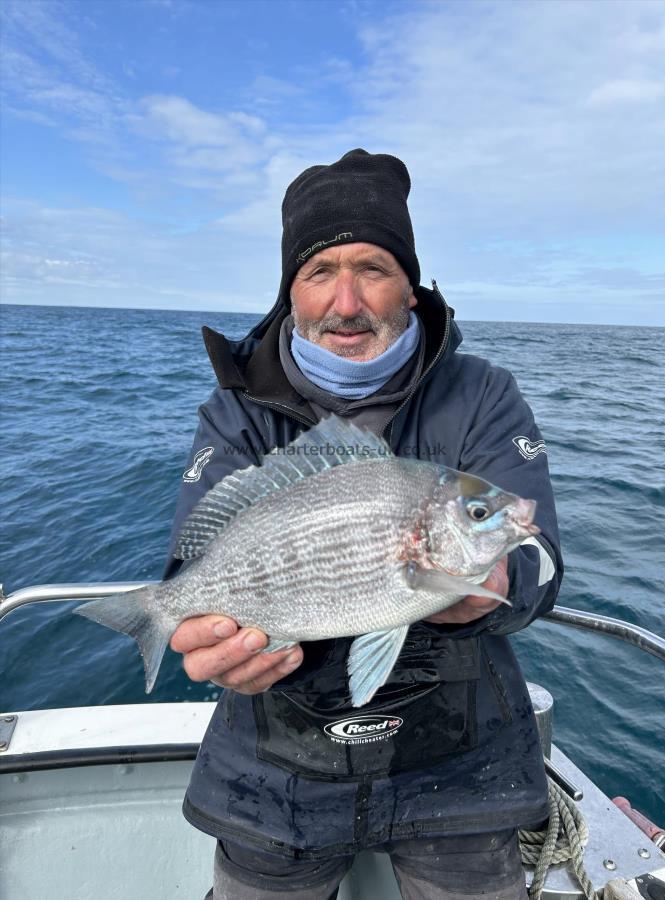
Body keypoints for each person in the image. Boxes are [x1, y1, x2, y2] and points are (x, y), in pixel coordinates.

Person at [165, 149, 563, 900]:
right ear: (290, 290)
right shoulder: (235, 411)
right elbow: (194, 565)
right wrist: (203, 635)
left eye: (372, 268)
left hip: (463, 759)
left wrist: (503, 583)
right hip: (272, 762)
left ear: (408, 287)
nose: (345, 303)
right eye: (319, 272)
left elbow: (534, 552)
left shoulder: (481, 393)